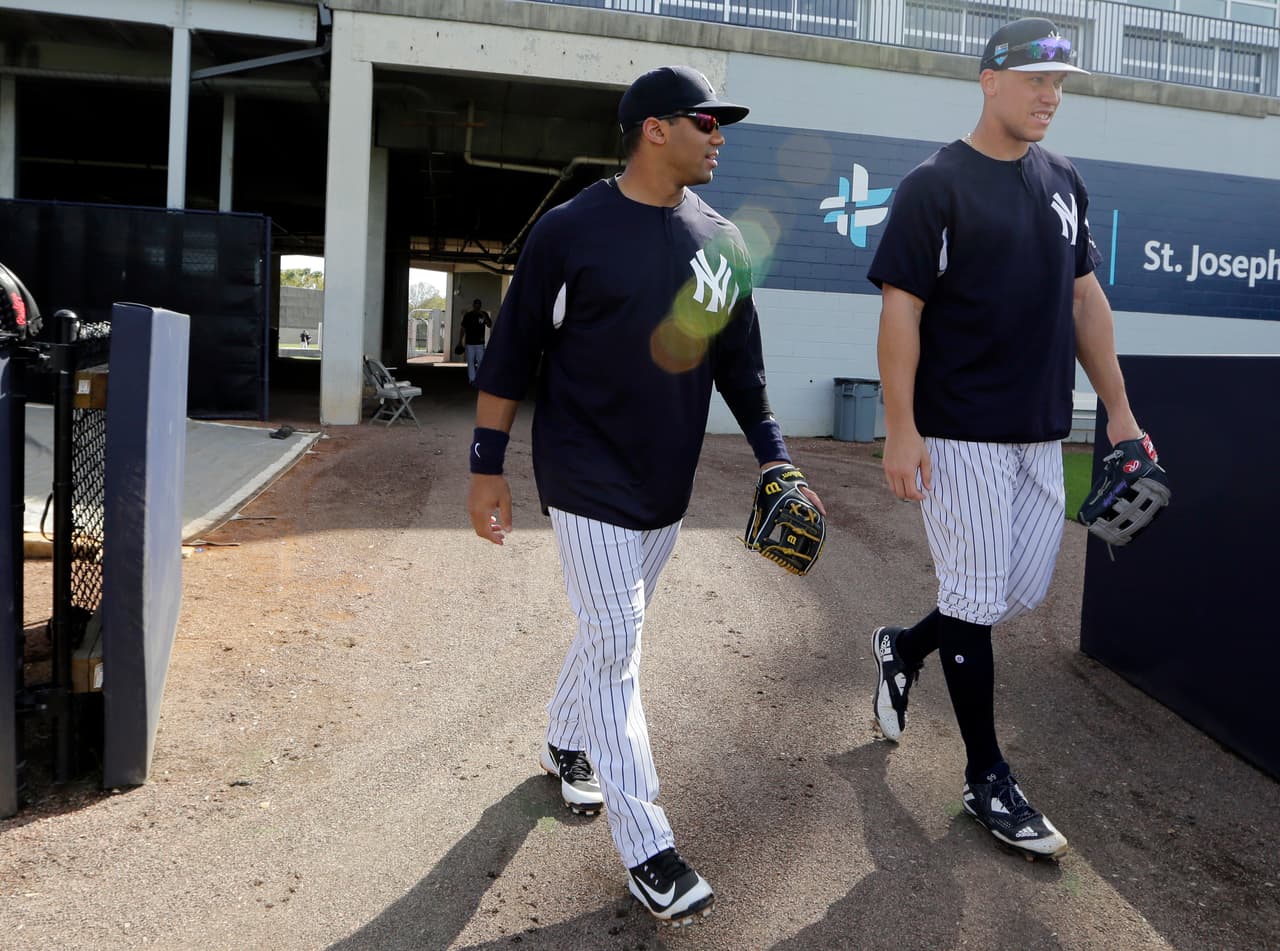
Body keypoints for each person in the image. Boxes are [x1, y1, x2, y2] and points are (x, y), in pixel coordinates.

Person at [465, 65, 824, 925]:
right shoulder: (569, 231)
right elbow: (511, 352)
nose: (719, 136)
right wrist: (487, 466)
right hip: (584, 474)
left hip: (666, 482)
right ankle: (648, 846)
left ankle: (563, 736)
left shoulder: (722, 241)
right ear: (653, 129)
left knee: (606, 632)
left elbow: (741, 367)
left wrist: (777, 459)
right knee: (620, 642)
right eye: (706, 121)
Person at [866, 18, 1151, 860]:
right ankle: (985, 774)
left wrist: (1121, 415)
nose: (1050, 98)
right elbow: (901, 312)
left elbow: (1085, 300)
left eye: (1059, 86)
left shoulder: (1064, 180)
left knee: (1007, 593)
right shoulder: (935, 184)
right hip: (957, 434)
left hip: (1039, 433)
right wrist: (901, 429)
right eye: (1035, 81)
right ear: (988, 79)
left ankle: (902, 648)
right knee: (975, 594)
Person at [457, 298, 492, 383]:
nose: (477, 306)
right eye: (475, 305)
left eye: (478, 305)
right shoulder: (468, 315)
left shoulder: (484, 314)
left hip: (480, 343)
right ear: (473, 305)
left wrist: (483, 315)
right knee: (470, 361)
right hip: (469, 343)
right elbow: (463, 328)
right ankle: (472, 379)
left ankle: (479, 379)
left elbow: (489, 325)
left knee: (481, 361)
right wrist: (460, 341)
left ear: (480, 306)